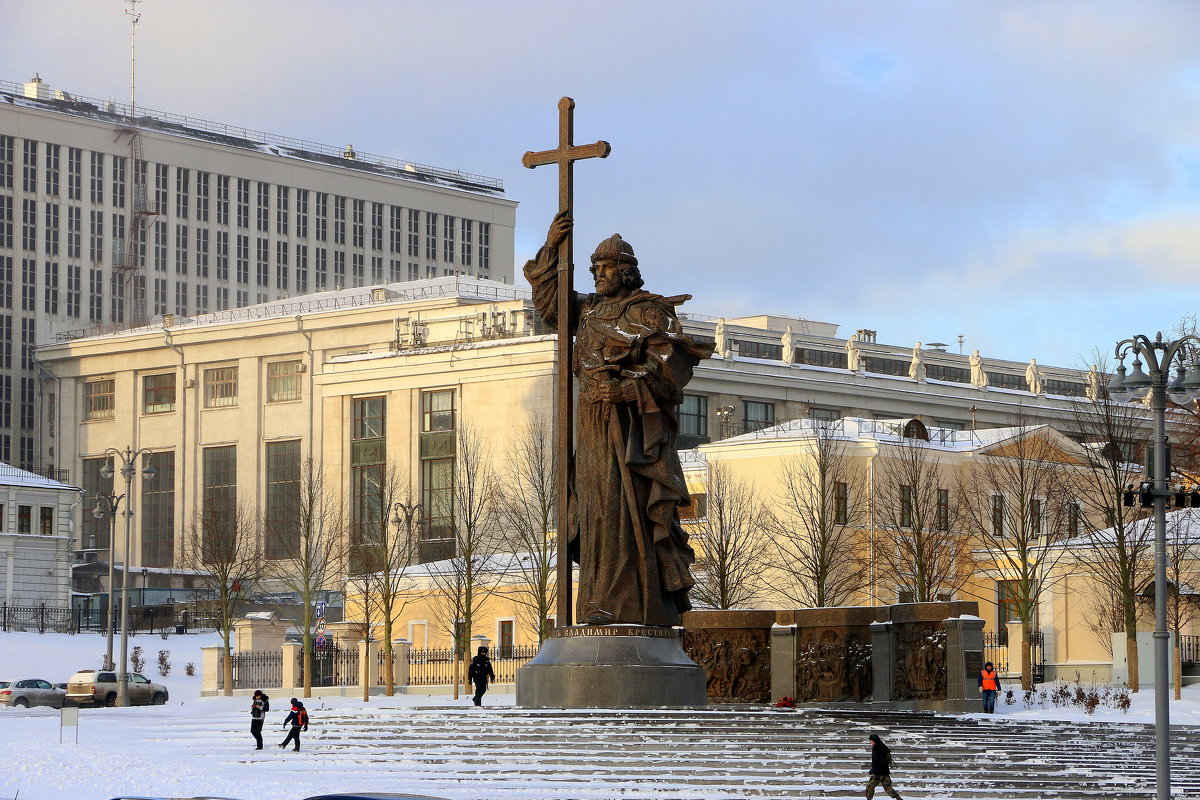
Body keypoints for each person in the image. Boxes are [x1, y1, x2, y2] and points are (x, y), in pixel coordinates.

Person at [523, 212, 714, 626]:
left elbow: (672, 367)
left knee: (625, 513)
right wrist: (552, 249)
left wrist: (627, 390)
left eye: (606, 266)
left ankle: (632, 605)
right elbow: (550, 306)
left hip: (632, 430)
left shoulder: (647, 312)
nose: (598, 274)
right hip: (591, 424)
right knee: (593, 511)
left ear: (628, 271)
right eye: (594, 267)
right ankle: (598, 602)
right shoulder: (590, 311)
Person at [866, 734, 903, 799]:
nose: (870, 742)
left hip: (878, 772)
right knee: (888, 787)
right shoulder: (883, 747)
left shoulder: (877, 749)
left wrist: (873, 771)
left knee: (870, 786)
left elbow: (877, 761)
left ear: (874, 741)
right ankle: (898, 798)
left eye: (871, 740)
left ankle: (868, 799)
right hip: (885, 771)